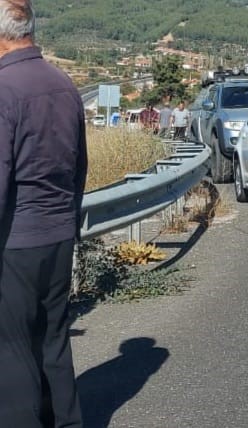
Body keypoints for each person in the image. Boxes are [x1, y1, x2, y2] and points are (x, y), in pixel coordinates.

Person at [0, 1, 86, 427]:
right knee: (53, 339)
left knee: (12, 348)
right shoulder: (64, 84)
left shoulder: (4, 88)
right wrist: (70, 223)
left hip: (15, 240)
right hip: (58, 233)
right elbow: (79, 166)